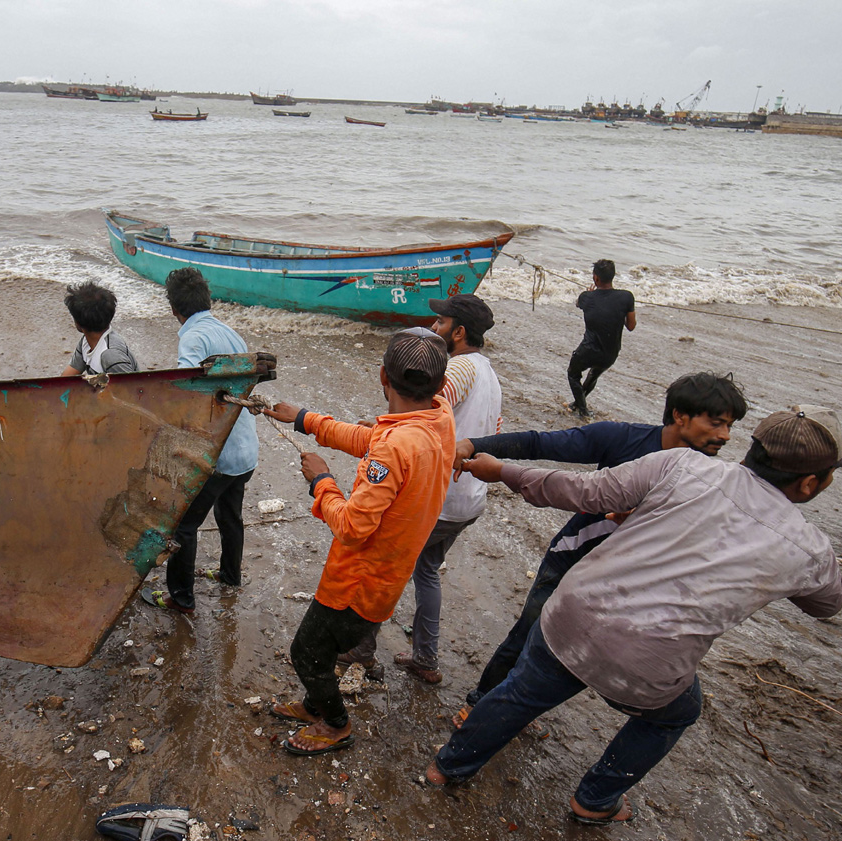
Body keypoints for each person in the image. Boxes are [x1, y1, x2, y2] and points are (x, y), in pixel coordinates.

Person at [428, 405, 842, 826]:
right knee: (677, 712)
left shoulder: (681, 465)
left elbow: (582, 491)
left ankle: (447, 767)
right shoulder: (810, 550)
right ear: (810, 485)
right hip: (650, 663)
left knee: (522, 691)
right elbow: (828, 605)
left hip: (574, 616)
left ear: (750, 448)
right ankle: (595, 800)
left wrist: (503, 470)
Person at [459, 372, 748, 721]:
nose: (724, 436)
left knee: (565, 655)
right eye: (716, 423)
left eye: (730, 426)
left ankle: (512, 710)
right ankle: (480, 702)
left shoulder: (711, 480)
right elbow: (541, 443)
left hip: (625, 581)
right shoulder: (621, 438)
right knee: (530, 631)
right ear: (679, 416)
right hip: (574, 556)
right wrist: (474, 444)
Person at [263, 328, 455, 755]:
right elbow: (373, 439)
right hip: (389, 576)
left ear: (382, 376)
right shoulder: (438, 421)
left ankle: (335, 725)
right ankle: (316, 705)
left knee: (307, 653)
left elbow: (352, 527)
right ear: (441, 386)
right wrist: (306, 420)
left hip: (357, 581)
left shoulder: (394, 448)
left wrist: (321, 482)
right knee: (322, 649)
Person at [337, 295, 503, 684]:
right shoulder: (490, 373)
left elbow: (420, 410)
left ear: (459, 332)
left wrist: (383, 431)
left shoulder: (458, 369)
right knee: (426, 571)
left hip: (437, 500)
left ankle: (360, 653)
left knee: (384, 570)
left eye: (440, 322)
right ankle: (425, 658)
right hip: (468, 500)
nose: (433, 328)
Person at [140, 267, 258, 613]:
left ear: (174, 309)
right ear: (207, 300)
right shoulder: (231, 334)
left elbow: (191, 398)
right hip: (245, 452)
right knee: (230, 516)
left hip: (219, 458)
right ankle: (230, 576)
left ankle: (180, 598)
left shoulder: (192, 338)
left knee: (183, 525)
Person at [567, 258, 634, 417]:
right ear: (613, 276)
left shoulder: (586, 297)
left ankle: (583, 410)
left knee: (573, 374)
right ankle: (578, 404)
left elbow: (578, 303)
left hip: (588, 350)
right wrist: (618, 311)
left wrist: (590, 295)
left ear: (595, 278)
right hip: (611, 353)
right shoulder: (626, 297)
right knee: (594, 374)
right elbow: (631, 326)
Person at [60, 281, 138, 376]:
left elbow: (132, 388)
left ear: (78, 323)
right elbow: (66, 378)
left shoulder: (111, 356)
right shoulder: (86, 342)